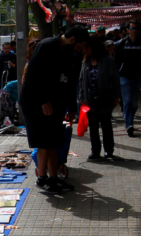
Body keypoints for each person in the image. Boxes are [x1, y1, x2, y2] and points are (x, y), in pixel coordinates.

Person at [20, 26, 89, 193]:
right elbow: (34, 75)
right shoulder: (46, 46)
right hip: (36, 102)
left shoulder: (70, 55)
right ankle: (42, 178)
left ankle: (53, 178)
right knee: (44, 140)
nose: (80, 51)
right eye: (79, 46)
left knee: (54, 140)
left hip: (55, 104)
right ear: (72, 40)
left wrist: (72, 107)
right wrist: (43, 100)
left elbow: (71, 82)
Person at [79, 36, 121, 159]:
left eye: (87, 47)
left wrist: (117, 96)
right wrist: (81, 98)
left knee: (106, 126)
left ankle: (109, 150)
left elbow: (115, 79)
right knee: (93, 127)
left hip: (105, 99)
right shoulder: (85, 62)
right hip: (90, 100)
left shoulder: (108, 60)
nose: (85, 50)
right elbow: (81, 81)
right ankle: (95, 151)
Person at [115, 20, 141, 137]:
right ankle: (129, 124)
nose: (134, 31)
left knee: (133, 103)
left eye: (136, 28)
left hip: (138, 77)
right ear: (128, 30)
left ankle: (128, 117)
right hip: (125, 77)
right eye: (132, 28)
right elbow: (117, 60)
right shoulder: (122, 43)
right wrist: (118, 75)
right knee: (128, 100)